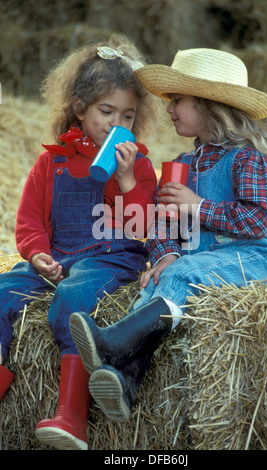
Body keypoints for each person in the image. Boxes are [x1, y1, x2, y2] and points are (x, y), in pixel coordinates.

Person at [69, 48, 267, 425]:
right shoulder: (183, 164)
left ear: (209, 105)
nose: (168, 109)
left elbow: (256, 222)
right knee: (153, 286)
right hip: (195, 260)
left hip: (248, 258)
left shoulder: (248, 158)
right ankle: (125, 380)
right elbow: (159, 223)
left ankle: (113, 345)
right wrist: (164, 255)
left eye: (177, 101)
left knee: (180, 277)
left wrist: (197, 206)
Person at [0, 35, 160, 450]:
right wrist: (36, 254)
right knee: (2, 292)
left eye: (127, 114)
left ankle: (72, 416)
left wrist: (125, 181)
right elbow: (29, 219)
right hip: (57, 258)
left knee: (72, 297)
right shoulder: (51, 159)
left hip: (108, 259)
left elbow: (142, 224)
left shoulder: (138, 163)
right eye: (106, 111)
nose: (115, 122)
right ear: (79, 108)